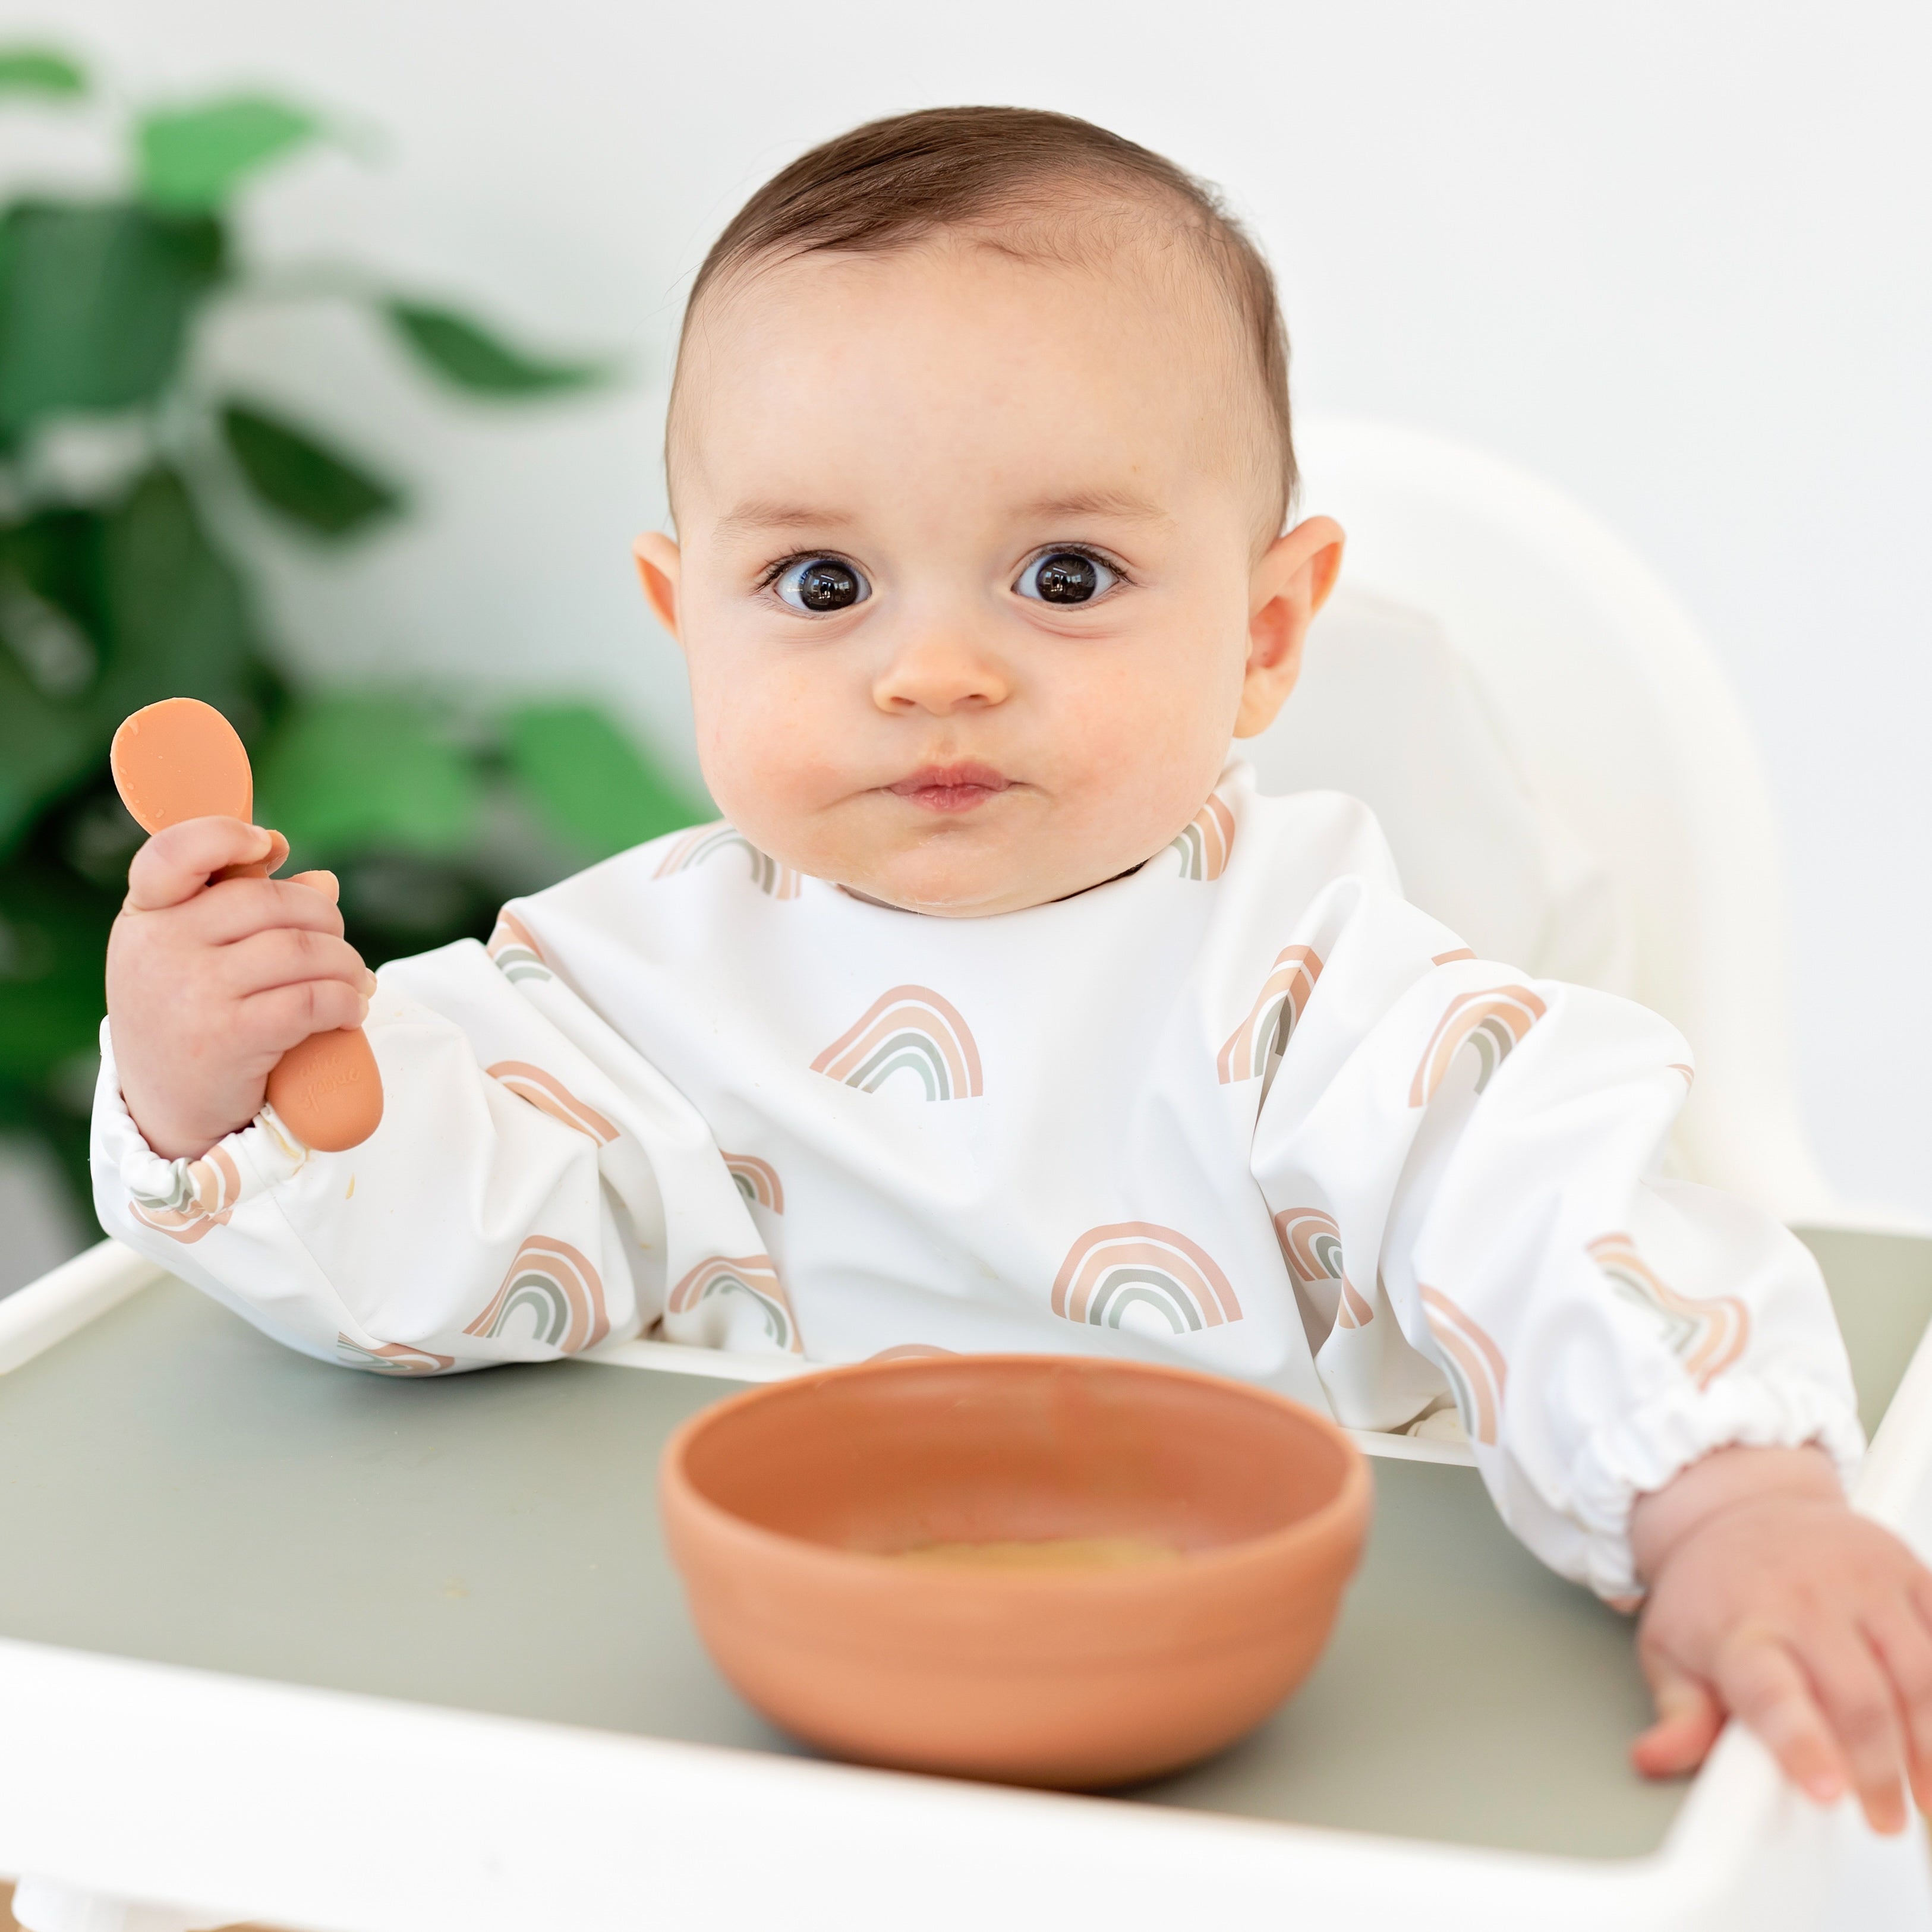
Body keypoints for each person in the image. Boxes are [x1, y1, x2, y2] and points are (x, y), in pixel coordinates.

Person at [93, 106, 1932, 1830]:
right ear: (686, 619)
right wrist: (219, 1084)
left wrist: (1728, 1499)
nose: (934, 672)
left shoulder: (1303, 973)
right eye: (823, 587)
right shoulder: (624, 984)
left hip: (1256, 1743)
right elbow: (435, 1254)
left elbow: (1540, 1197)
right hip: (765, 1745)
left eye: (1061, 575)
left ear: (1267, 629)